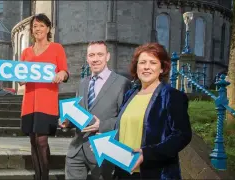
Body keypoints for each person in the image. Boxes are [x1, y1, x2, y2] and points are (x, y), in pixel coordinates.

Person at [113, 42, 192, 179]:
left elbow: (182, 135)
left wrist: (148, 153)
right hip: (123, 170)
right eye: (142, 62)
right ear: (136, 67)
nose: (146, 67)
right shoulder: (130, 95)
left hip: (154, 172)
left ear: (162, 68)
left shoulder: (172, 96)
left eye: (153, 63)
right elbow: (125, 129)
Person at [63, 41, 132, 180]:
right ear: (87, 58)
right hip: (76, 151)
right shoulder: (83, 83)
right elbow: (79, 113)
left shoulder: (122, 83)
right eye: (91, 55)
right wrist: (68, 121)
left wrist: (102, 125)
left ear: (107, 56)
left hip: (103, 151)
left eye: (100, 54)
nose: (95, 59)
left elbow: (125, 119)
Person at [18, 13, 69, 180]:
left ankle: (44, 176)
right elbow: (20, 78)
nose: (37, 29)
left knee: (41, 141)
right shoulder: (26, 52)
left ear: (48, 28)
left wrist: (62, 73)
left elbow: (65, 72)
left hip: (47, 102)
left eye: (41, 25)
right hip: (29, 102)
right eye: (34, 26)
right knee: (33, 142)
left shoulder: (57, 48)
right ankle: (37, 175)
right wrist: (21, 79)